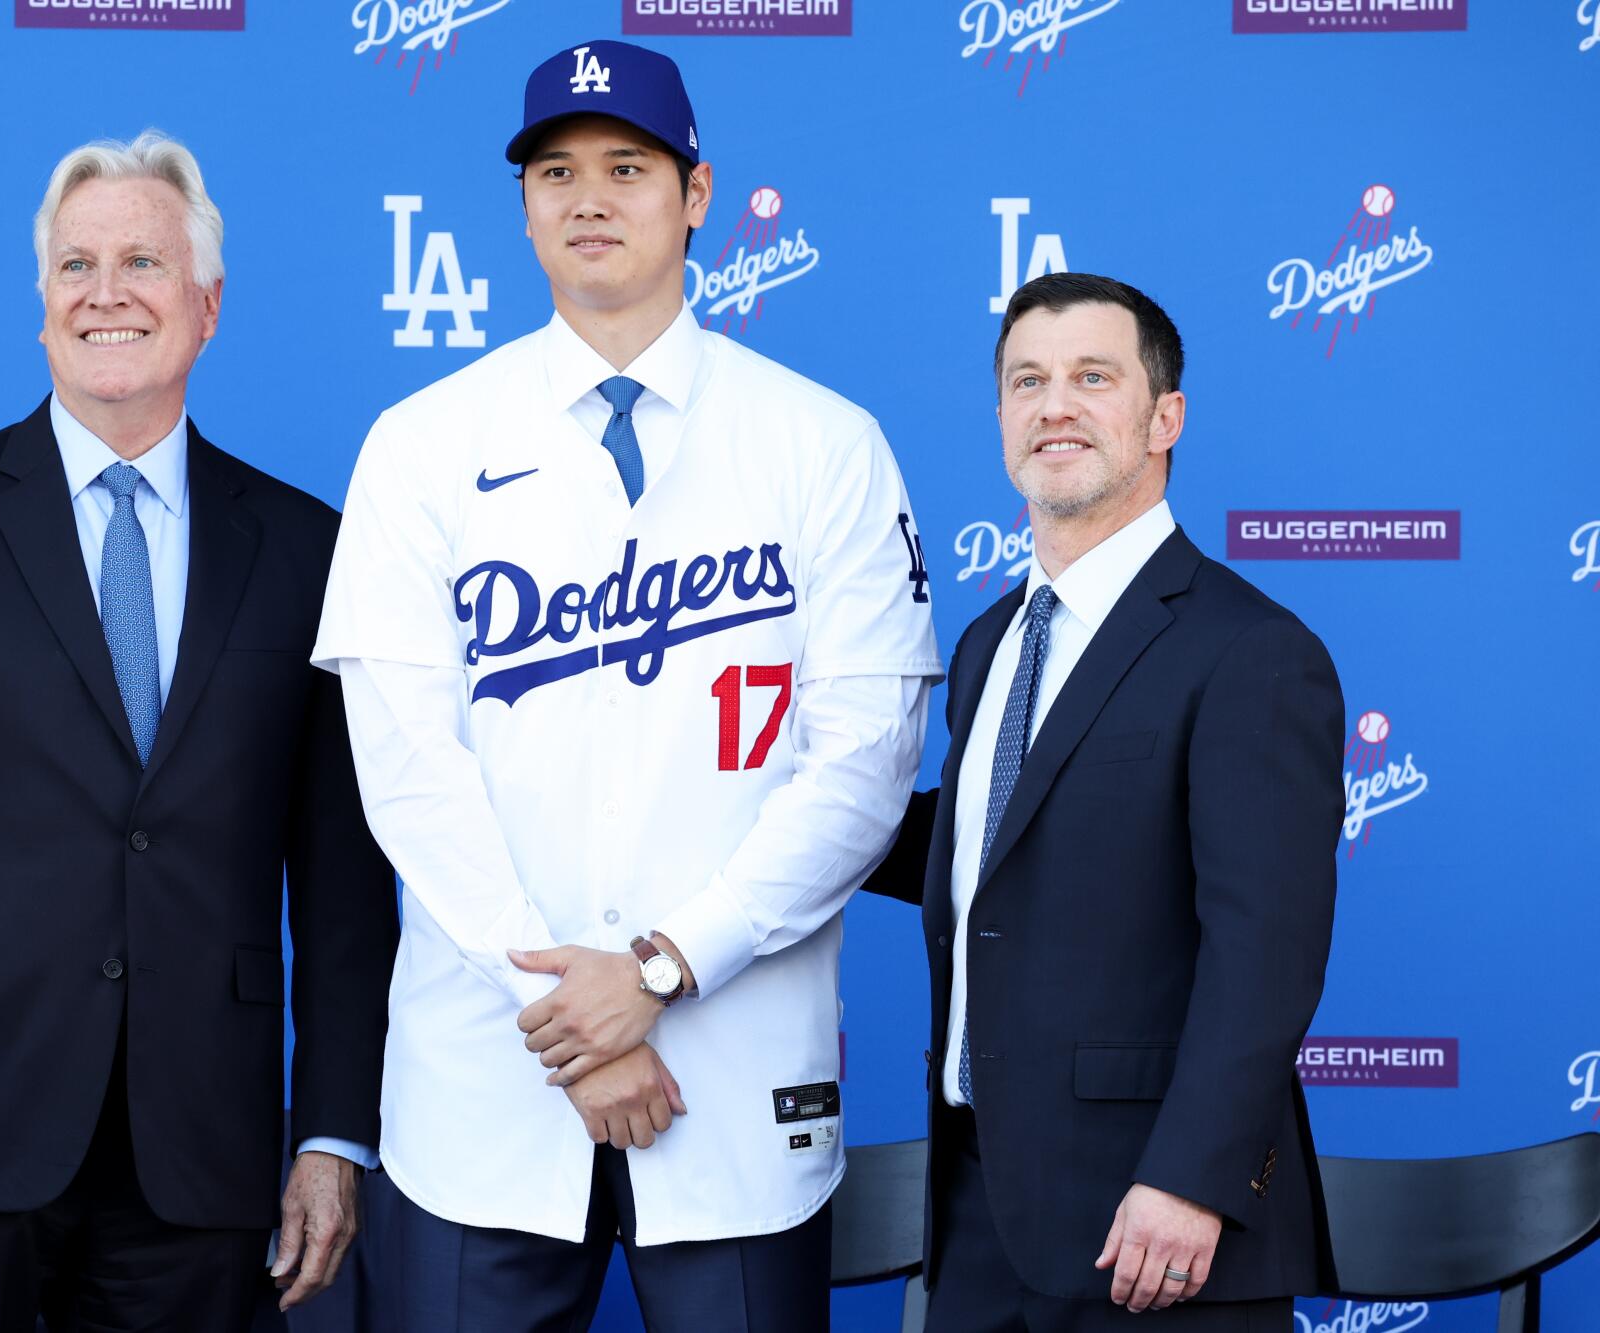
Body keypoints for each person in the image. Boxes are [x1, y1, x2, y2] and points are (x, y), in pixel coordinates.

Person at [310, 38, 942, 1332]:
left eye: (627, 167)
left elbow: (865, 764)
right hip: (488, 1084)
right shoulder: (423, 444)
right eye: (555, 170)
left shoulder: (824, 445)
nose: (588, 197)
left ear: (696, 194)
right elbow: (410, 775)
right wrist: (574, 1015)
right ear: (525, 201)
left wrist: (658, 969)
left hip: (735, 1082)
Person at [0, 130, 397, 1333]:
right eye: (75, 265)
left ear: (206, 305)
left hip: (204, 1152)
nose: (106, 292)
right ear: (43, 306)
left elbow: (344, 885)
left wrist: (328, 1132)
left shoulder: (307, 548)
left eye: (142, 263)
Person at [863, 272, 1341, 1330]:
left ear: (1163, 415)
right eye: (1025, 381)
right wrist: (783, 809)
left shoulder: (1250, 651)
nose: (1053, 405)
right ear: (999, 418)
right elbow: (981, 853)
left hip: (1156, 1230)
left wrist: (1190, 1179)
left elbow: (1264, 947)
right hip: (981, 1212)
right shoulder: (991, 642)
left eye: (1091, 377)